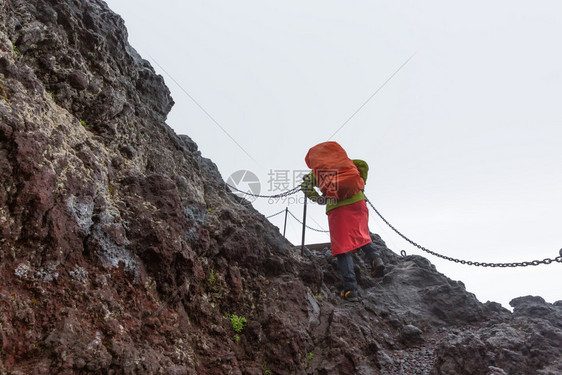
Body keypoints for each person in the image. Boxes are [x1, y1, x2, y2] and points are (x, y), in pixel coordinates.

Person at [301, 141, 385, 302]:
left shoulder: (317, 173)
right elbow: (364, 165)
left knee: (342, 248)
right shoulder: (347, 164)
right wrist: (361, 185)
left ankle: (350, 289)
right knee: (362, 234)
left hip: (336, 207)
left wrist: (319, 199)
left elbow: (305, 186)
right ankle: (376, 259)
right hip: (358, 202)